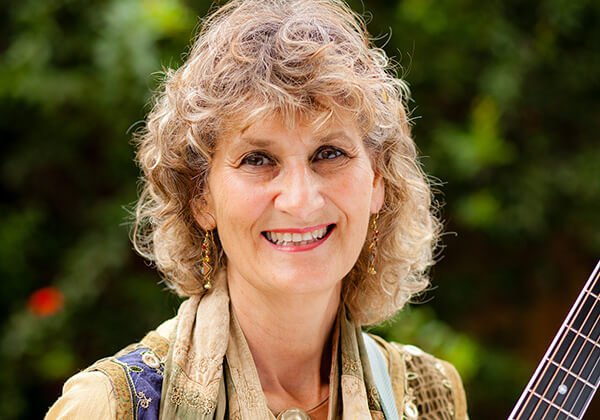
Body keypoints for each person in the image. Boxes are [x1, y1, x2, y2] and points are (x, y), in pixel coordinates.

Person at [46, 0, 467, 418]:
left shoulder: (431, 397)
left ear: (377, 181)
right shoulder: (108, 407)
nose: (301, 200)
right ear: (201, 198)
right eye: (258, 160)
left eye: (329, 153)